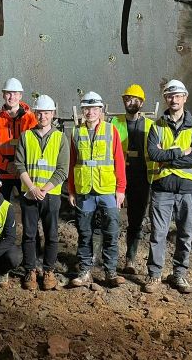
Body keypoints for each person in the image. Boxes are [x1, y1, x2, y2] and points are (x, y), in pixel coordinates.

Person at [143, 79, 192, 295]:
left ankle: (179, 274)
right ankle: (154, 275)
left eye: (178, 95)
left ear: (185, 98)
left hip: (188, 190)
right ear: (165, 99)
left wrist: (167, 158)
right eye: (170, 96)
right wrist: (180, 152)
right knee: (158, 234)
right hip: (162, 188)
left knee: (185, 233)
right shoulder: (157, 126)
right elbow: (154, 154)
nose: (174, 99)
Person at [68, 92, 127, 288]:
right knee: (85, 233)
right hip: (84, 190)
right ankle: (85, 271)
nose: (90, 112)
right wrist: (71, 190)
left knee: (110, 232)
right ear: (83, 111)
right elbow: (72, 163)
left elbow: (119, 160)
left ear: (101, 110)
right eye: (87, 108)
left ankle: (110, 272)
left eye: (94, 109)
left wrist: (121, 189)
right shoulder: (76, 132)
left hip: (107, 190)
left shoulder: (111, 131)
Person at [14, 94, 68, 291]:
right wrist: (32, 188)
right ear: (35, 113)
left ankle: (49, 270)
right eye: (40, 112)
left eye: (46, 112)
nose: (43, 116)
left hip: (51, 195)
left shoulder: (60, 138)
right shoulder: (26, 136)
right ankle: (30, 270)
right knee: (29, 234)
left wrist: (44, 189)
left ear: (53, 114)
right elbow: (19, 164)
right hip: (29, 194)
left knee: (52, 235)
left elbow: (62, 170)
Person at [111, 84, 156, 274]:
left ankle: (130, 259)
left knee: (136, 220)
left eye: (135, 99)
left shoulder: (149, 125)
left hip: (141, 177)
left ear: (142, 102)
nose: (131, 102)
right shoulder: (114, 123)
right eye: (127, 98)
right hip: (117, 177)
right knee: (110, 218)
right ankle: (108, 260)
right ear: (123, 101)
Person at [0, 78, 38, 200]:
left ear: (20, 95)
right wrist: (6, 165)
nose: (12, 97)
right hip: (2, 172)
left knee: (27, 210)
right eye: (8, 93)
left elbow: (34, 146)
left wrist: (20, 167)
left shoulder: (30, 118)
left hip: (24, 173)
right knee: (0, 209)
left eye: (15, 93)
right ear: (3, 94)